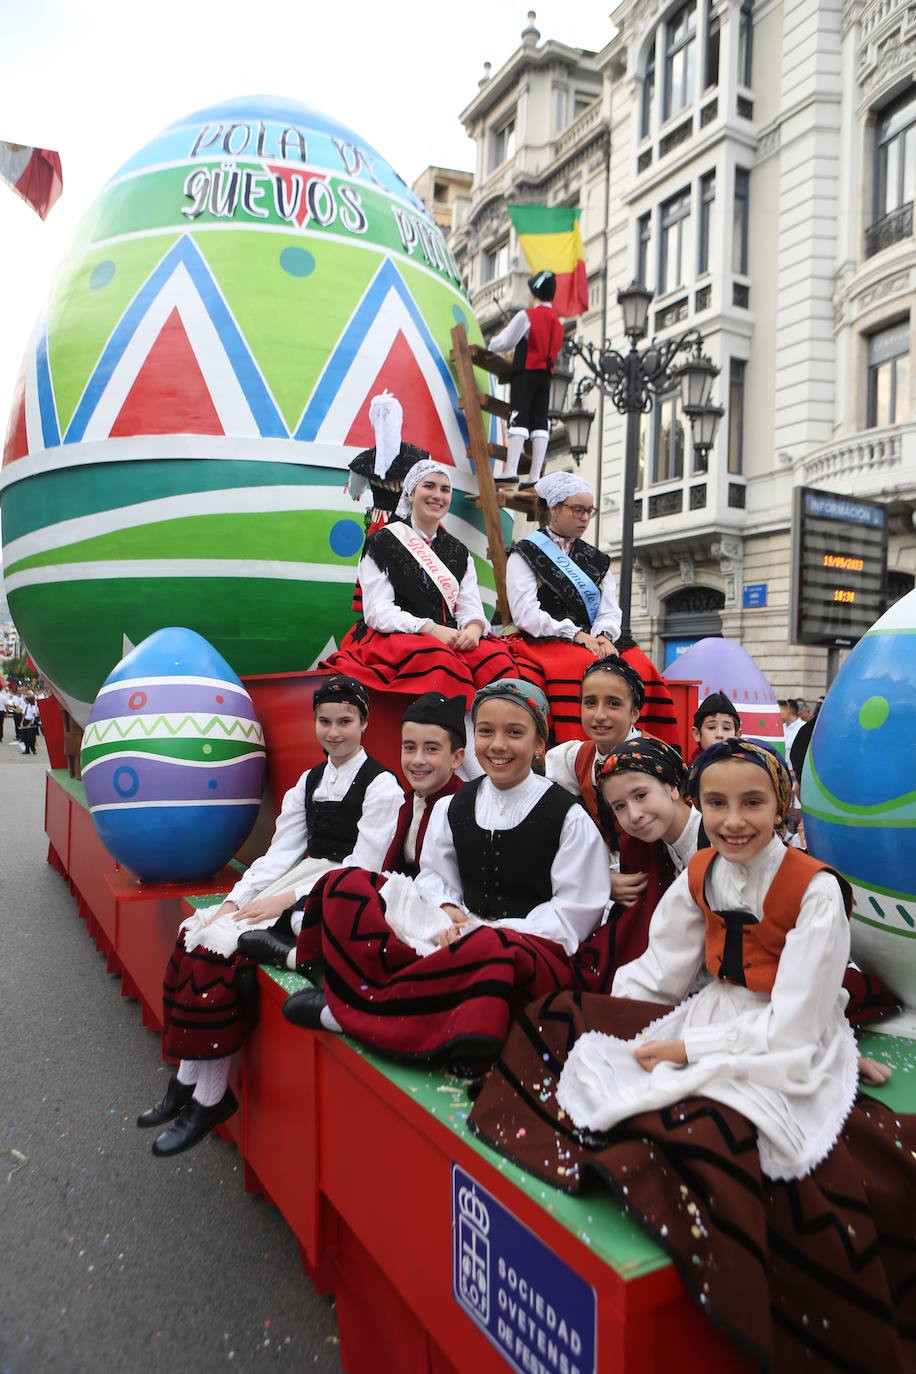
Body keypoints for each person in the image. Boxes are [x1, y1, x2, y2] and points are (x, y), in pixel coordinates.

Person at [137, 675, 402, 1157]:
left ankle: (210, 1098)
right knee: (198, 936)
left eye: (345, 721)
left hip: (339, 892)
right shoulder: (309, 780)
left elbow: (363, 865)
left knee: (223, 951)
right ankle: (185, 1082)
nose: (334, 732)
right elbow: (279, 852)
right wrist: (238, 897)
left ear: (365, 721)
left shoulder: (383, 785)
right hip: (297, 877)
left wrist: (286, 900)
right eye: (325, 721)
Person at [281, 678, 611, 1061]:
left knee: (488, 950)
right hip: (453, 932)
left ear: (539, 744)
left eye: (515, 733)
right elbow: (435, 877)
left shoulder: (568, 817)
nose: (498, 745)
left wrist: (487, 932)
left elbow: (574, 912)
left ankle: (359, 1009)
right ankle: (389, 1000)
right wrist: (449, 912)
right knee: (346, 885)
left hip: (523, 950)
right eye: (486, 732)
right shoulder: (453, 805)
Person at [241, 691, 467, 971]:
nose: (417, 760)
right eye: (409, 748)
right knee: (322, 908)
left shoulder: (459, 806)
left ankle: (303, 958)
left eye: (431, 749)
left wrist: (442, 907)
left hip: (443, 908)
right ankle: (311, 951)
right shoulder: (410, 803)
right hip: (405, 896)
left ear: (457, 758)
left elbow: (451, 879)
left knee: (366, 916)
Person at [321, 459, 517, 765]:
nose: (437, 495)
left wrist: (474, 630)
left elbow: (469, 607)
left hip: (449, 637)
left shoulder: (457, 551)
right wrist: (429, 628)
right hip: (399, 636)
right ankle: (467, 765)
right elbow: (378, 612)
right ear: (411, 493)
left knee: (496, 659)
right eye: (429, 486)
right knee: (438, 663)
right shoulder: (382, 542)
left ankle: (498, 751)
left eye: (445, 489)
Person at [504, 471, 622, 741]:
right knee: (583, 663)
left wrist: (603, 635)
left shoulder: (597, 559)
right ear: (554, 509)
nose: (584, 518)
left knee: (638, 664)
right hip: (541, 637)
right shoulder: (525, 552)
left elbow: (610, 610)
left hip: (589, 639)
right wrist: (576, 634)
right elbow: (525, 613)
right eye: (577, 510)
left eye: (589, 511)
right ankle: (574, 747)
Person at [344, 391, 432, 615]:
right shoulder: (419, 457)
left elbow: (354, 491)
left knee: (378, 574)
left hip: (380, 524)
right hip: (414, 524)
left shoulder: (363, 462)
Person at [488, 269, 564, 487]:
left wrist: (491, 344)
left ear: (535, 293)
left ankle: (511, 470)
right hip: (545, 377)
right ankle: (534, 477)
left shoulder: (528, 315)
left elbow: (505, 342)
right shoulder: (557, 324)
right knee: (540, 423)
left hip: (526, 373)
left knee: (518, 419)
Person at [690, 690, 741, 759]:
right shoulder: (690, 768)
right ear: (697, 733)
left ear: (737, 735)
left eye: (726, 728)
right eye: (711, 727)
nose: (719, 735)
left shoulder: (747, 767)